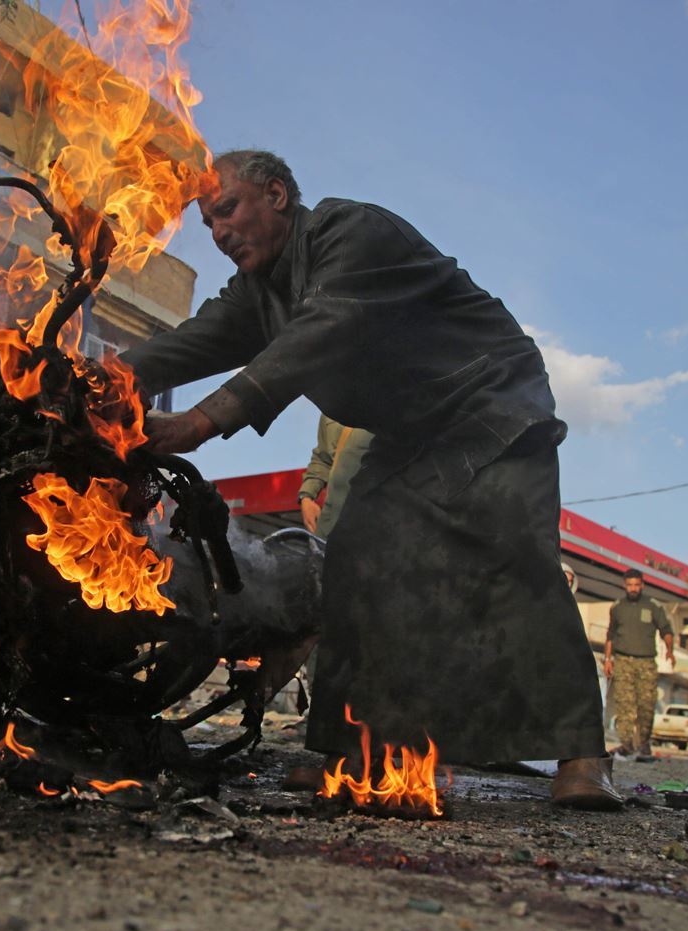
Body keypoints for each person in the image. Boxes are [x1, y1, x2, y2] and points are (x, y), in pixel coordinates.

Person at [121, 149, 621, 810]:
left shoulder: (351, 234)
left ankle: (583, 754)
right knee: (355, 556)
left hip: (491, 397)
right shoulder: (258, 293)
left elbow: (323, 332)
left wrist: (201, 420)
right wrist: (89, 379)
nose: (218, 231)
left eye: (228, 209)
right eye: (209, 221)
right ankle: (349, 748)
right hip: (411, 431)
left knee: (514, 557)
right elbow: (189, 342)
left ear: (276, 195)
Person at [603, 569, 675, 758]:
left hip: (646, 662)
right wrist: (608, 660)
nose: (633, 588)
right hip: (623, 660)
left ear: (642, 585)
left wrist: (670, 650)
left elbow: (666, 630)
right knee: (624, 705)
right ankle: (626, 744)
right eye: (630, 585)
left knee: (646, 704)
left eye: (636, 585)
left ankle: (643, 743)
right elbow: (610, 635)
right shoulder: (617, 607)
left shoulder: (653, 606)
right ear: (624, 585)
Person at [298, 415, 372, 537]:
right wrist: (306, 497)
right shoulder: (330, 407)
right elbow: (323, 459)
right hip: (330, 523)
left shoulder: (389, 404)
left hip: (372, 523)